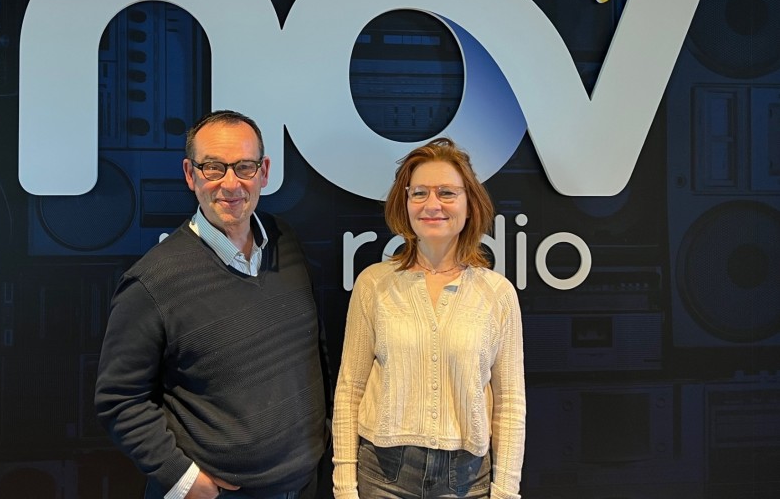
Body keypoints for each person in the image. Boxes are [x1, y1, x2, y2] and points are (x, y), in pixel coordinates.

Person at [96, 109, 329, 499]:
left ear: (264, 172)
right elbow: (119, 400)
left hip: (307, 485)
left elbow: (311, 353)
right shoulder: (151, 282)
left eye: (244, 167)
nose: (230, 183)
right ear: (190, 174)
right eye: (213, 168)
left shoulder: (285, 241)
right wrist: (184, 480)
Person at [331, 137, 526, 499]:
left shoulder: (497, 294)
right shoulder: (374, 284)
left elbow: (510, 402)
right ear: (405, 204)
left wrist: (505, 491)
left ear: (469, 204)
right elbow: (350, 390)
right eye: (419, 193)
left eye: (447, 193)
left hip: (466, 479)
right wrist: (344, 486)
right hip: (383, 474)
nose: (432, 205)